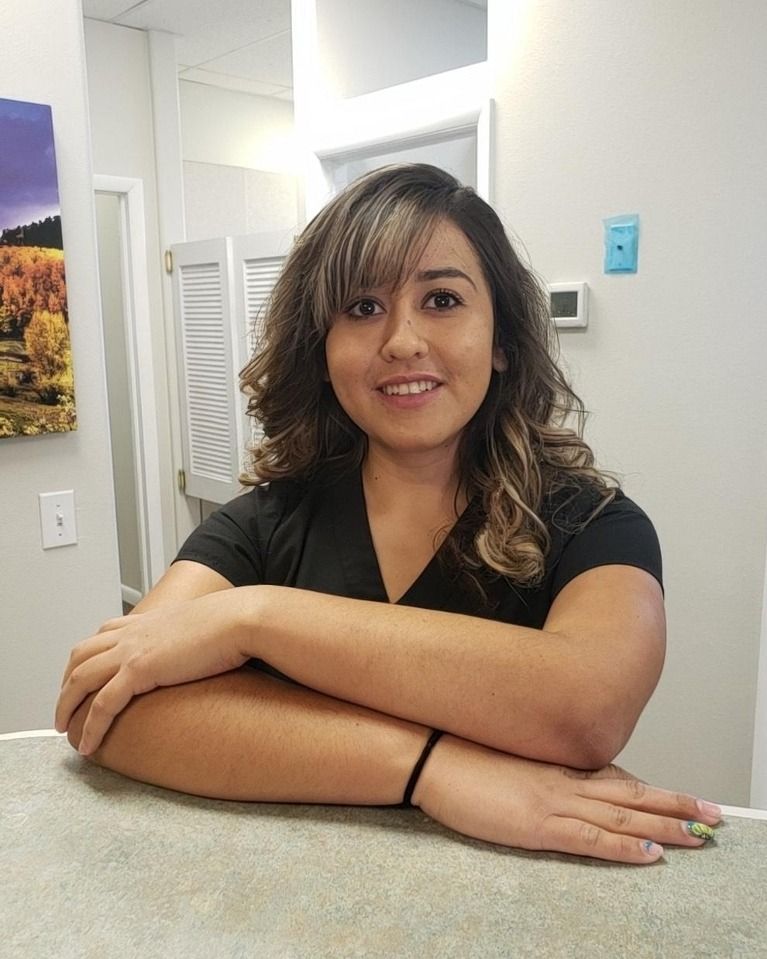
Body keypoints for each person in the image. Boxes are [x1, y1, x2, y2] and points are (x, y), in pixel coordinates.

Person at [56, 163, 720, 864]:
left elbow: (588, 705)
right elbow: (111, 710)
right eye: (363, 308)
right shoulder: (259, 525)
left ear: (501, 341)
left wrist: (254, 618)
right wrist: (427, 768)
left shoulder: (593, 524)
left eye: (440, 298)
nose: (401, 339)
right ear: (321, 351)